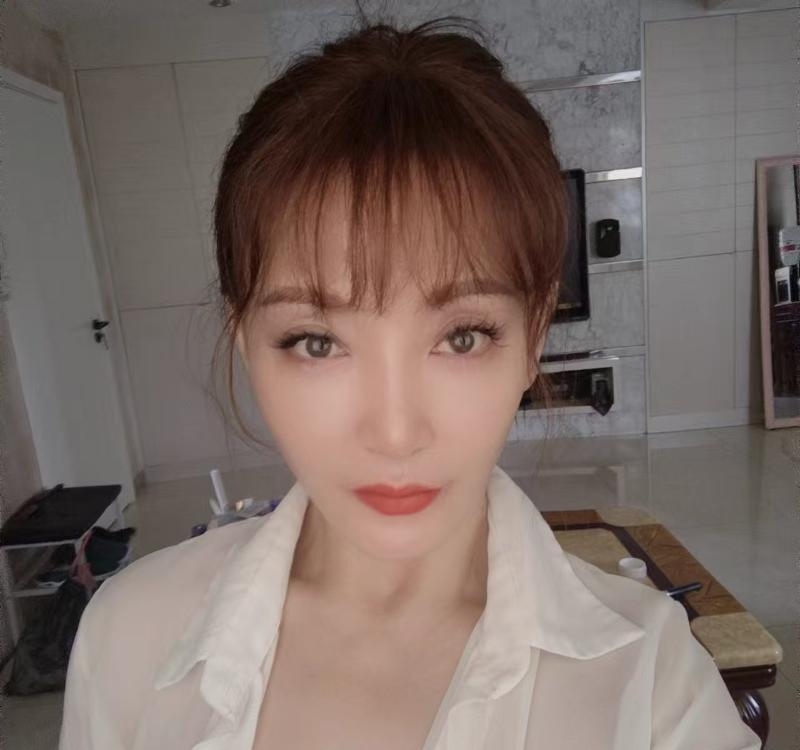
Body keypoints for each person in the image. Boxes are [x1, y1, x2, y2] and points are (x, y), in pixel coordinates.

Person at [58, 10, 762, 750]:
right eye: (318, 342)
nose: (395, 433)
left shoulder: (649, 684)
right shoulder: (130, 636)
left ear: (533, 337)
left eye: (461, 337)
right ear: (245, 341)